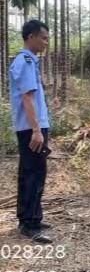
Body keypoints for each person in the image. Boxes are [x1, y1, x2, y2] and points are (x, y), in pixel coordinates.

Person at [9, 20, 52, 243]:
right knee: (32, 173)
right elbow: (27, 97)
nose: (46, 42)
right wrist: (36, 130)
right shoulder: (25, 61)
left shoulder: (30, 62)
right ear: (31, 37)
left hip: (34, 126)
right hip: (30, 128)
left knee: (36, 172)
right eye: (43, 38)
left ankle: (32, 216)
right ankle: (29, 223)